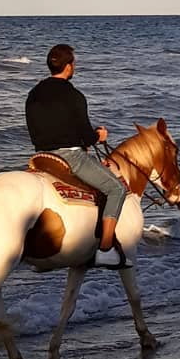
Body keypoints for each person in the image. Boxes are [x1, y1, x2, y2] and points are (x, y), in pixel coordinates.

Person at [25, 43, 128, 265]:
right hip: (70, 157)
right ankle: (105, 250)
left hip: (42, 157)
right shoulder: (74, 96)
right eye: (74, 63)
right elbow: (85, 134)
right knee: (116, 188)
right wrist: (98, 136)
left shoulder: (33, 93)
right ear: (69, 67)